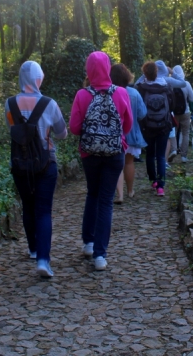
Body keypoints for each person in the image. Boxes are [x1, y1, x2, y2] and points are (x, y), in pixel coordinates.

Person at [70, 52, 133, 271]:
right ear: (107, 68)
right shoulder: (121, 93)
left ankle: (88, 243)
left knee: (92, 194)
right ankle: (100, 256)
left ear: (88, 69)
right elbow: (127, 126)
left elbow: (75, 128)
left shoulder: (81, 95)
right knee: (106, 201)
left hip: (90, 155)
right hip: (115, 154)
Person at [5, 61, 68, 278]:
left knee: (28, 206)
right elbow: (62, 133)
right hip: (45, 163)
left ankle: (32, 249)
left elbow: (12, 130)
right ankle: (43, 260)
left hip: (20, 163)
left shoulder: (9, 103)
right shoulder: (49, 104)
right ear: (38, 78)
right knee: (43, 211)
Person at [136, 60, 175, 196]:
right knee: (160, 156)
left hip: (148, 126)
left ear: (144, 73)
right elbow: (172, 106)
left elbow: (140, 108)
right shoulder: (167, 86)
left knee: (150, 154)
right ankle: (161, 187)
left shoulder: (141, 87)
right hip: (164, 125)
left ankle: (153, 180)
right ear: (157, 72)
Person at [110, 63, 146, 203]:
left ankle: (119, 194)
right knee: (129, 163)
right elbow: (142, 113)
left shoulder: (109, 92)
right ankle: (130, 191)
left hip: (115, 134)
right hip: (132, 133)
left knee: (116, 164)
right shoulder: (134, 93)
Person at [171, 65, 193, 163]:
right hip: (185, 112)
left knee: (173, 133)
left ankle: (173, 150)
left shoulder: (170, 83)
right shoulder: (186, 84)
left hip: (174, 113)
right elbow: (192, 99)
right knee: (185, 133)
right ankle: (184, 156)